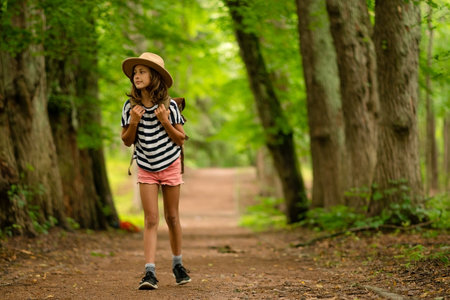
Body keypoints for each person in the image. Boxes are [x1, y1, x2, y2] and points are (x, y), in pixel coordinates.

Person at [120, 52, 191, 290]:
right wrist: (133, 122)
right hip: (146, 166)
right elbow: (127, 142)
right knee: (151, 219)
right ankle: (149, 272)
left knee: (172, 217)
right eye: (135, 72)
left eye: (142, 72)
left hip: (170, 163)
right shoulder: (129, 107)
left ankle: (178, 264)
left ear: (155, 76)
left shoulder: (169, 106)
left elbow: (181, 139)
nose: (136, 76)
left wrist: (165, 121)